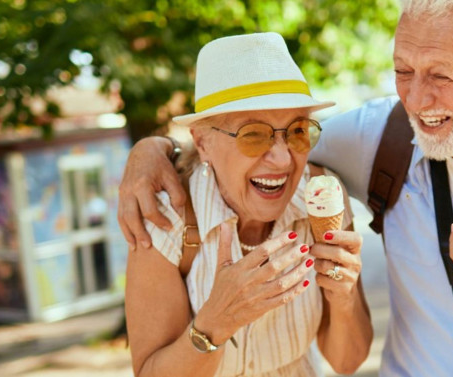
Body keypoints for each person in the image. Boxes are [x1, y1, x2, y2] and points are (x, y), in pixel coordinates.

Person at [120, 0, 453, 375]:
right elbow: (243, 147)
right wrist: (146, 155)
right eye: (402, 71)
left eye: (442, 75)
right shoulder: (375, 137)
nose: (415, 98)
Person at [124, 32, 373, 377]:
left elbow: (348, 362)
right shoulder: (165, 220)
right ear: (204, 142)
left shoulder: (322, 198)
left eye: (298, 130)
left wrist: (344, 298)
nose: (284, 159)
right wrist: (216, 323)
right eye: (254, 135)